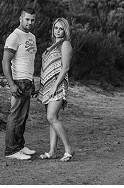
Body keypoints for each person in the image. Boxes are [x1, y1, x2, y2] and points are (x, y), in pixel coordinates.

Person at [36, 18, 75, 162]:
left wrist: (54, 86)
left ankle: (68, 148)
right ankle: (52, 151)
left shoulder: (65, 44)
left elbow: (65, 68)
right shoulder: (53, 45)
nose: (58, 31)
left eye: (61, 28)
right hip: (47, 86)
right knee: (53, 119)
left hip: (57, 85)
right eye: (55, 28)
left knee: (51, 117)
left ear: (65, 30)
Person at [2, 7, 39, 160]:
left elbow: (29, 61)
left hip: (27, 81)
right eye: (27, 19)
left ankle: (19, 146)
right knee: (15, 115)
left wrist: (32, 81)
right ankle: (11, 150)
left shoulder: (31, 36)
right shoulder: (14, 36)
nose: (30, 22)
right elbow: (5, 62)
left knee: (23, 117)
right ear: (20, 18)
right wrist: (11, 84)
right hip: (18, 81)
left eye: (32, 20)